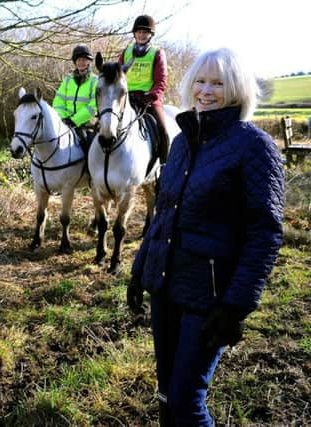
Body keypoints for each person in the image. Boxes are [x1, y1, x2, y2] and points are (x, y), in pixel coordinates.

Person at [127, 47, 284, 426]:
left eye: (218, 82)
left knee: (186, 401)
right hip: (165, 285)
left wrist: (235, 306)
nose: (206, 90)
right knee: (165, 392)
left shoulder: (254, 147)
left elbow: (264, 234)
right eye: (200, 80)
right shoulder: (181, 142)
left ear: (237, 89)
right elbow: (163, 212)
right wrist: (139, 268)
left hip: (209, 299)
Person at [118, 15, 170, 163]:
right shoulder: (126, 52)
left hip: (148, 100)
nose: (141, 35)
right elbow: (117, 77)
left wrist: (151, 96)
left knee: (163, 130)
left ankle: (163, 166)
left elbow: (162, 80)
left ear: (150, 35)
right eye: (139, 32)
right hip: (126, 98)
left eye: (145, 32)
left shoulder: (157, 52)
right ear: (134, 34)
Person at [52, 44, 98, 153]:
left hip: (86, 125)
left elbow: (93, 106)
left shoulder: (95, 80)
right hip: (65, 122)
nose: (81, 62)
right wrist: (63, 118)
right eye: (78, 60)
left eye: (84, 60)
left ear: (89, 62)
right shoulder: (68, 79)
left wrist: (75, 120)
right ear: (75, 62)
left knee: (90, 151)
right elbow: (58, 101)